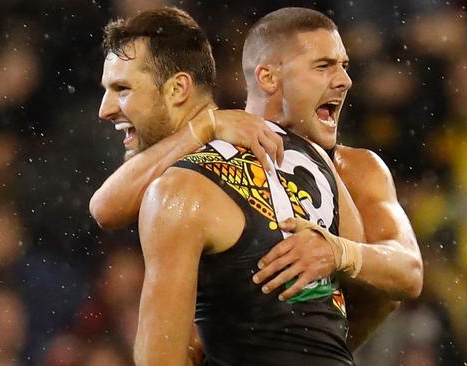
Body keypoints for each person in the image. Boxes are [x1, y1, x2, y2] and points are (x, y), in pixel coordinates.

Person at [93, 6, 422, 365]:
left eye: (122, 89)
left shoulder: (182, 189)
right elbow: (379, 299)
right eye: (324, 66)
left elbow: (406, 274)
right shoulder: (318, 165)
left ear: (178, 89)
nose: (345, 80)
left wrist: (339, 253)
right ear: (267, 77)